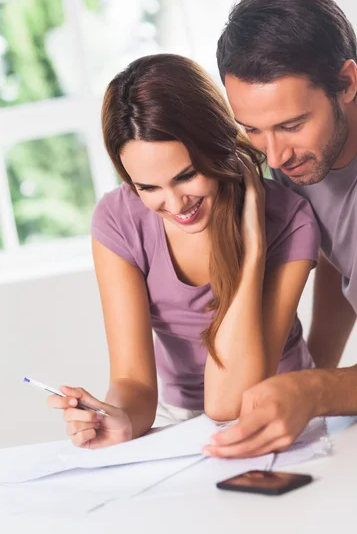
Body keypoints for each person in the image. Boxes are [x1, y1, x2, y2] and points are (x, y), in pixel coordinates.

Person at [48, 53, 320, 449]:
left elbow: (229, 401)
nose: (175, 206)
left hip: (279, 406)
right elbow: (134, 381)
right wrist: (120, 417)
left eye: (187, 176)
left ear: (218, 145)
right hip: (177, 419)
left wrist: (253, 249)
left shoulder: (290, 220)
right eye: (149, 188)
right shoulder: (118, 221)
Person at [202, 0, 357, 459]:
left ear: (347, 82)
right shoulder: (304, 159)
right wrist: (314, 370)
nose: (274, 155)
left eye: (291, 125)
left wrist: (313, 390)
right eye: (252, 129)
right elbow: (342, 253)